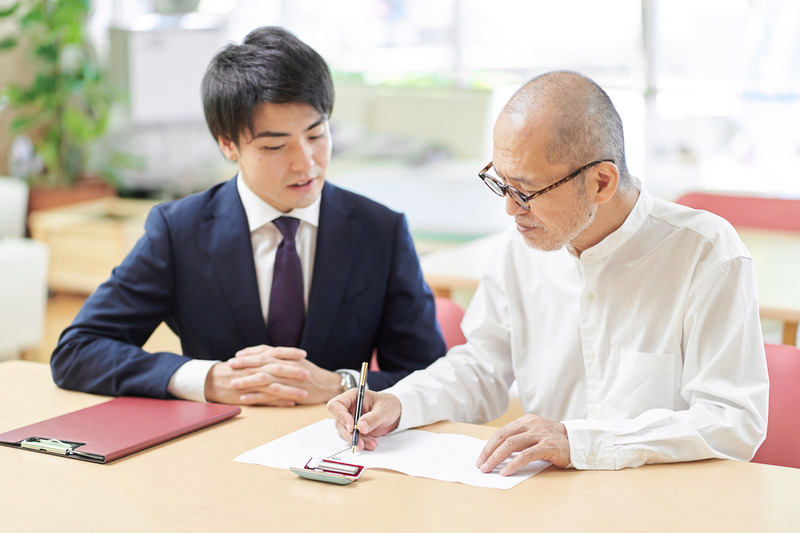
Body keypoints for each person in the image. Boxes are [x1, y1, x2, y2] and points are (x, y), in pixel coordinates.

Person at [328, 70, 769, 472]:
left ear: (601, 182)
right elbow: (481, 367)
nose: (508, 208)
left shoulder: (704, 252)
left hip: (661, 503)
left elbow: (732, 420)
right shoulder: (521, 248)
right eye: (500, 182)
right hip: (544, 496)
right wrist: (399, 403)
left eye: (525, 191)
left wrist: (579, 441)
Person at [50, 26, 446, 406]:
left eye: (316, 135)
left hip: (341, 449)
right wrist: (208, 379)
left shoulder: (381, 230)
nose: (305, 163)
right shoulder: (179, 231)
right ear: (228, 145)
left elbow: (431, 375)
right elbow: (77, 351)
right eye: (275, 146)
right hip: (218, 445)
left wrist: (341, 383)